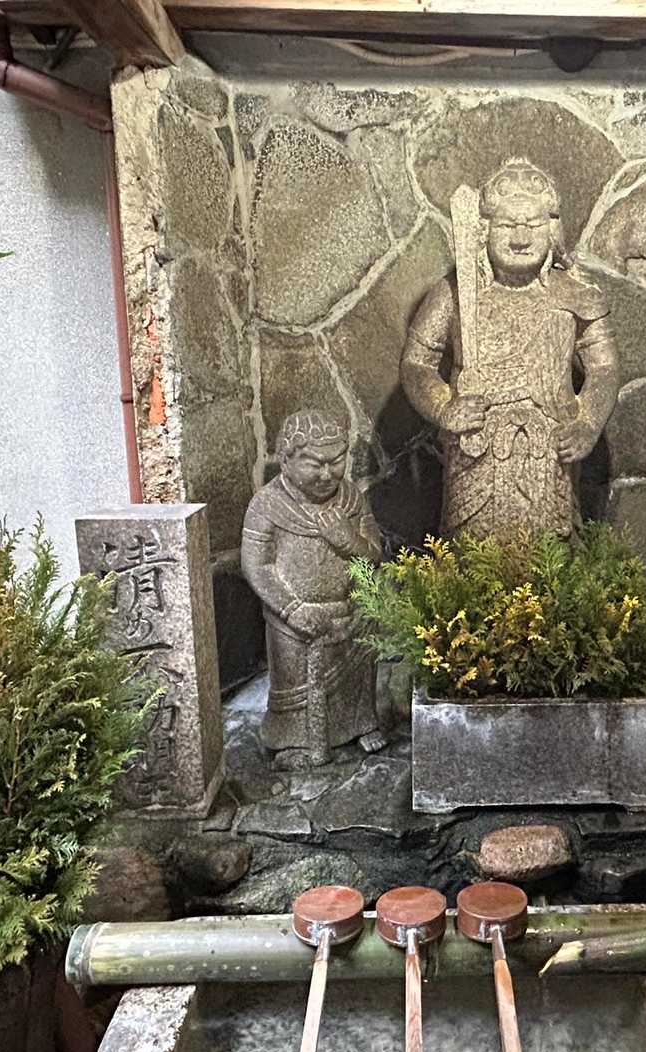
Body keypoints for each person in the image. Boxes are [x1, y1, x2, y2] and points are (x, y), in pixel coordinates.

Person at [402, 157, 621, 538]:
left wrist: (588, 423)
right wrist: (444, 408)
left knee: (551, 554)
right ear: (484, 231)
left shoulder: (576, 295)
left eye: (533, 225)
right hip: (475, 449)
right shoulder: (453, 295)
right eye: (507, 225)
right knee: (471, 554)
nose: (520, 238)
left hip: (549, 449)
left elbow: (604, 368)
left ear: (552, 230)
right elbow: (417, 363)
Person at [240, 410, 386, 767]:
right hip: (293, 620)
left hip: (349, 611)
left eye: (337, 462)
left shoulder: (351, 498)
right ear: (286, 460)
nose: (327, 474)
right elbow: (256, 566)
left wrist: (348, 540)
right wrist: (292, 609)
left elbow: (374, 554)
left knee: (356, 677)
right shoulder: (267, 505)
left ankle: (359, 724)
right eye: (315, 464)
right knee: (296, 687)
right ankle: (292, 741)